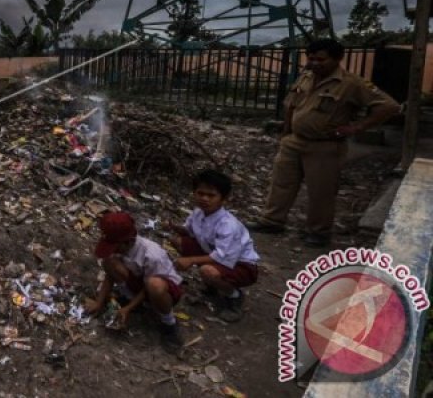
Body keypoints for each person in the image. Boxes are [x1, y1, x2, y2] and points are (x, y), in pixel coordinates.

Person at [245, 38, 401, 247]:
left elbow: (389, 106)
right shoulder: (306, 77)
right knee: (281, 184)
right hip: (294, 141)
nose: (314, 63)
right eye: (311, 58)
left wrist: (357, 127)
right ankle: (272, 221)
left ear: (338, 59)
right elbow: (291, 106)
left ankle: (318, 232)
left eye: (321, 59)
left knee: (321, 191)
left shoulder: (351, 83)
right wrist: (286, 133)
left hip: (324, 146)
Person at [85, 211, 184, 351]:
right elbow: (109, 275)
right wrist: (99, 302)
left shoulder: (152, 255)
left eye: (116, 247)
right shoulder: (120, 247)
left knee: (154, 285)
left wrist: (128, 308)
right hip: (139, 283)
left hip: (163, 291)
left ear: (129, 241)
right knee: (109, 262)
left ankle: (169, 323)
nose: (115, 250)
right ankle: (132, 300)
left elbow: (148, 287)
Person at [169, 170, 259, 323]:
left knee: (207, 271)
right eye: (200, 193)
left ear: (223, 199)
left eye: (211, 195)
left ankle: (234, 297)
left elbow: (221, 256)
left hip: (241, 266)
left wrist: (190, 260)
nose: (204, 198)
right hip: (214, 253)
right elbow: (189, 232)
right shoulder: (198, 212)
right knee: (178, 241)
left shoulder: (228, 225)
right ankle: (212, 287)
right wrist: (174, 227)